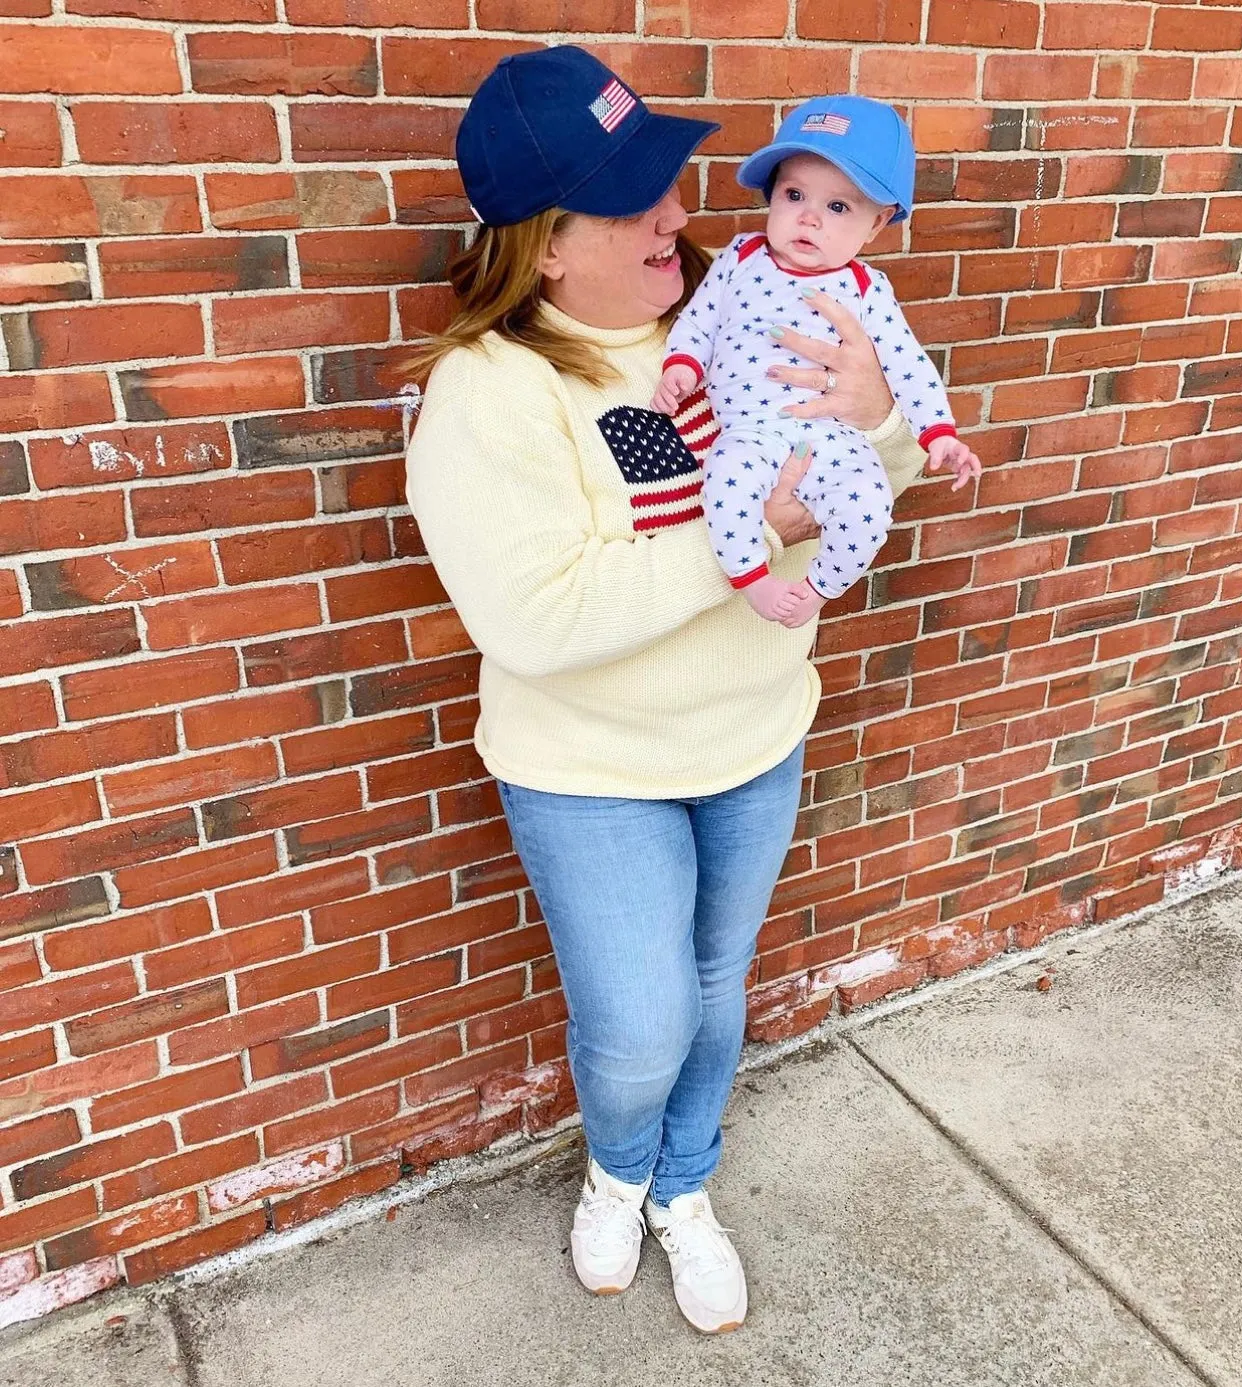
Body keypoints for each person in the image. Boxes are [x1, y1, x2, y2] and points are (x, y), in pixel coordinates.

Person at [404, 46, 934, 1336]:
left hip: (754, 734)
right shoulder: (489, 394)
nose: (682, 213)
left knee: (715, 988)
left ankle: (683, 1187)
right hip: (594, 770)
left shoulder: (746, 303)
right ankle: (617, 1170)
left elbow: (893, 462)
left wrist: (874, 420)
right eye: (634, 199)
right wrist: (755, 531)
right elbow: (538, 615)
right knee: (640, 1026)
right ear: (542, 247)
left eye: (675, 181)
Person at [653, 96, 982, 628]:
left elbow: (907, 363)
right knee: (726, 483)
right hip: (750, 429)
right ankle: (752, 581)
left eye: (837, 207)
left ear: (876, 226)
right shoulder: (739, 258)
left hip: (830, 437)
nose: (808, 217)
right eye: (794, 194)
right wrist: (683, 366)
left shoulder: (866, 290)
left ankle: (815, 587)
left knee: (870, 506)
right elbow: (700, 319)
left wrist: (937, 432)